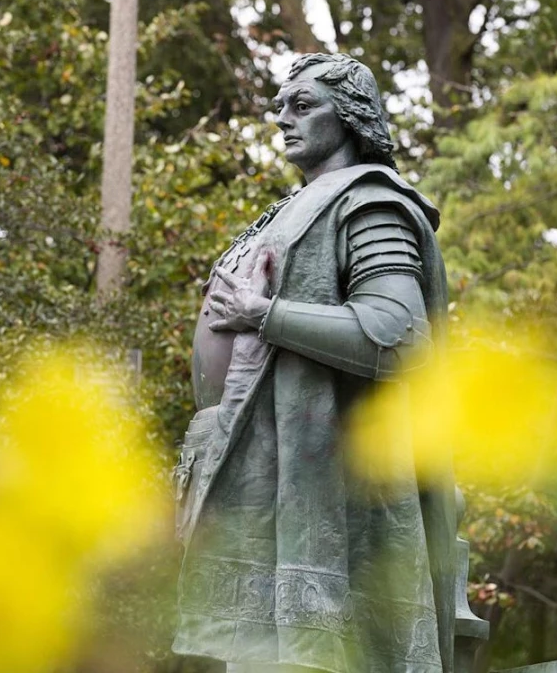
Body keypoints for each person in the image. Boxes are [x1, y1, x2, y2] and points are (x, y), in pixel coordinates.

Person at [172, 53, 453, 673]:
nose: (282, 119)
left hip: (325, 481)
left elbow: (399, 335)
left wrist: (263, 314)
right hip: (256, 470)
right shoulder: (293, 207)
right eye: (280, 106)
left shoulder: (370, 204)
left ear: (351, 116)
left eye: (303, 105)